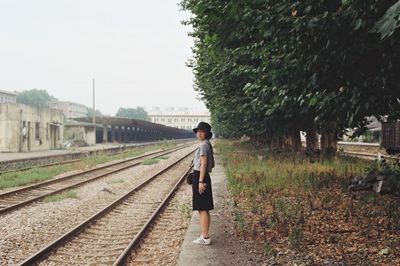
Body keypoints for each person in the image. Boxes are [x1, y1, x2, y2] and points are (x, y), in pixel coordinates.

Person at [191, 121, 215, 245]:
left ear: (206, 133)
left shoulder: (203, 145)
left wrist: (200, 181)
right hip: (203, 176)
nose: (199, 133)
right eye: (198, 131)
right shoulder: (206, 144)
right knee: (203, 207)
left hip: (201, 177)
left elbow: (204, 164)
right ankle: (204, 235)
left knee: (202, 208)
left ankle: (205, 237)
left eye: (202, 131)